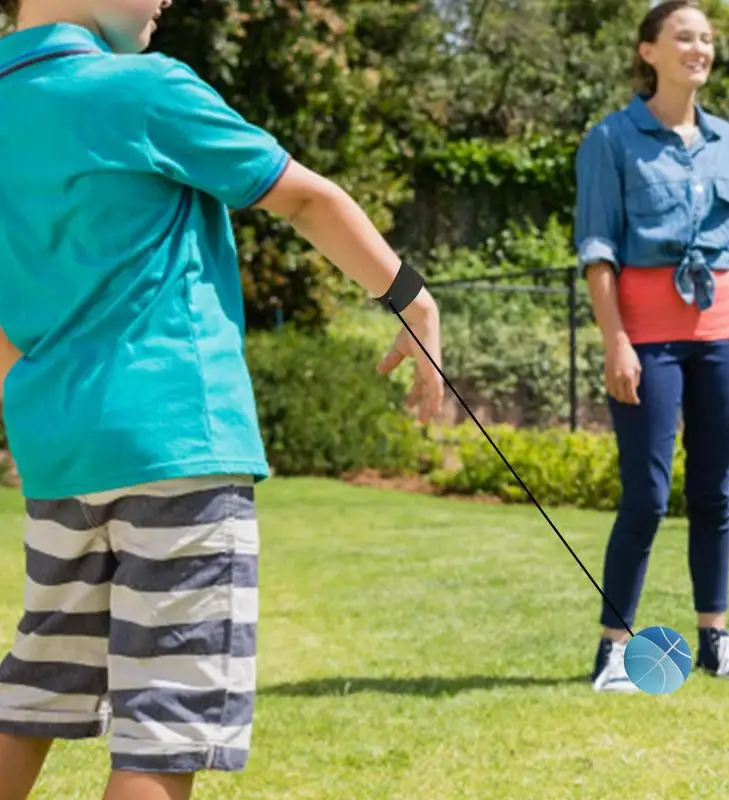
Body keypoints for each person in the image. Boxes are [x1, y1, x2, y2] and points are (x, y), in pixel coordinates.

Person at [0, 1, 444, 798]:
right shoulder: (140, 89)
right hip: (177, 440)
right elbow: (305, 199)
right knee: (163, 732)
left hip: (57, 451)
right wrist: (414, 301)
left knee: (39, 688)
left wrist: (43, 409)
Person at [574, 0, 729, 693]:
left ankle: (715, 639)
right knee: (647, 495)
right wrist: (616, 343)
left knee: (715, 494)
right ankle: (612, 651)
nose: (698, 48)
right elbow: (598, 253)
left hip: (719, 334)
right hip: (647, 337)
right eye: (683, 37)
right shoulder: (611, 139)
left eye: (706, 39)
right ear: (648, 52)